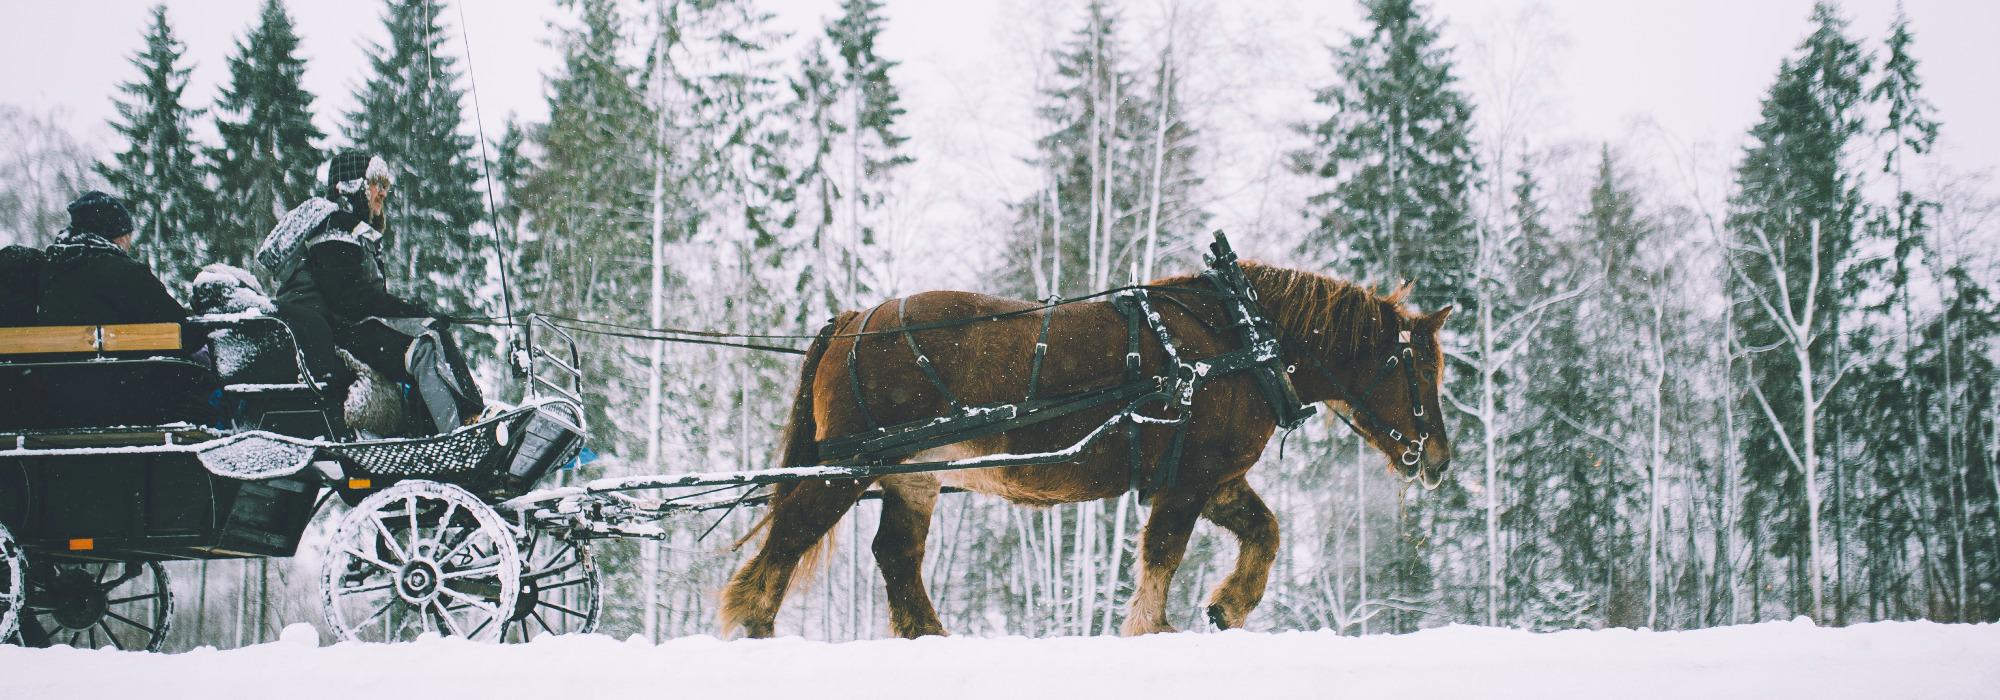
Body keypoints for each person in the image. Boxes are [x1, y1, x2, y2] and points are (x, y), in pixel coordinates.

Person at [258, 150, 483, 435]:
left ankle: (452, 422)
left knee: (429, 333)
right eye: (377, 185)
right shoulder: (335, 225)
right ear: (355, 186)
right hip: (339, 332)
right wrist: (411, 311)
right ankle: (464, 427)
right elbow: (348, 299)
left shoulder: (348, 229)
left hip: (348, 327)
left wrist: (411, 311)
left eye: (385, 186)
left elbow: (357, 297)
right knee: (425, 343)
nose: (383, 193)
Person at [36, 191, 186, 327]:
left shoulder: (48, 271)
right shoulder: (126, 274)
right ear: (120, 237)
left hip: (53, 356)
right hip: (124, 356)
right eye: (128, 235)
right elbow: (179, 327)